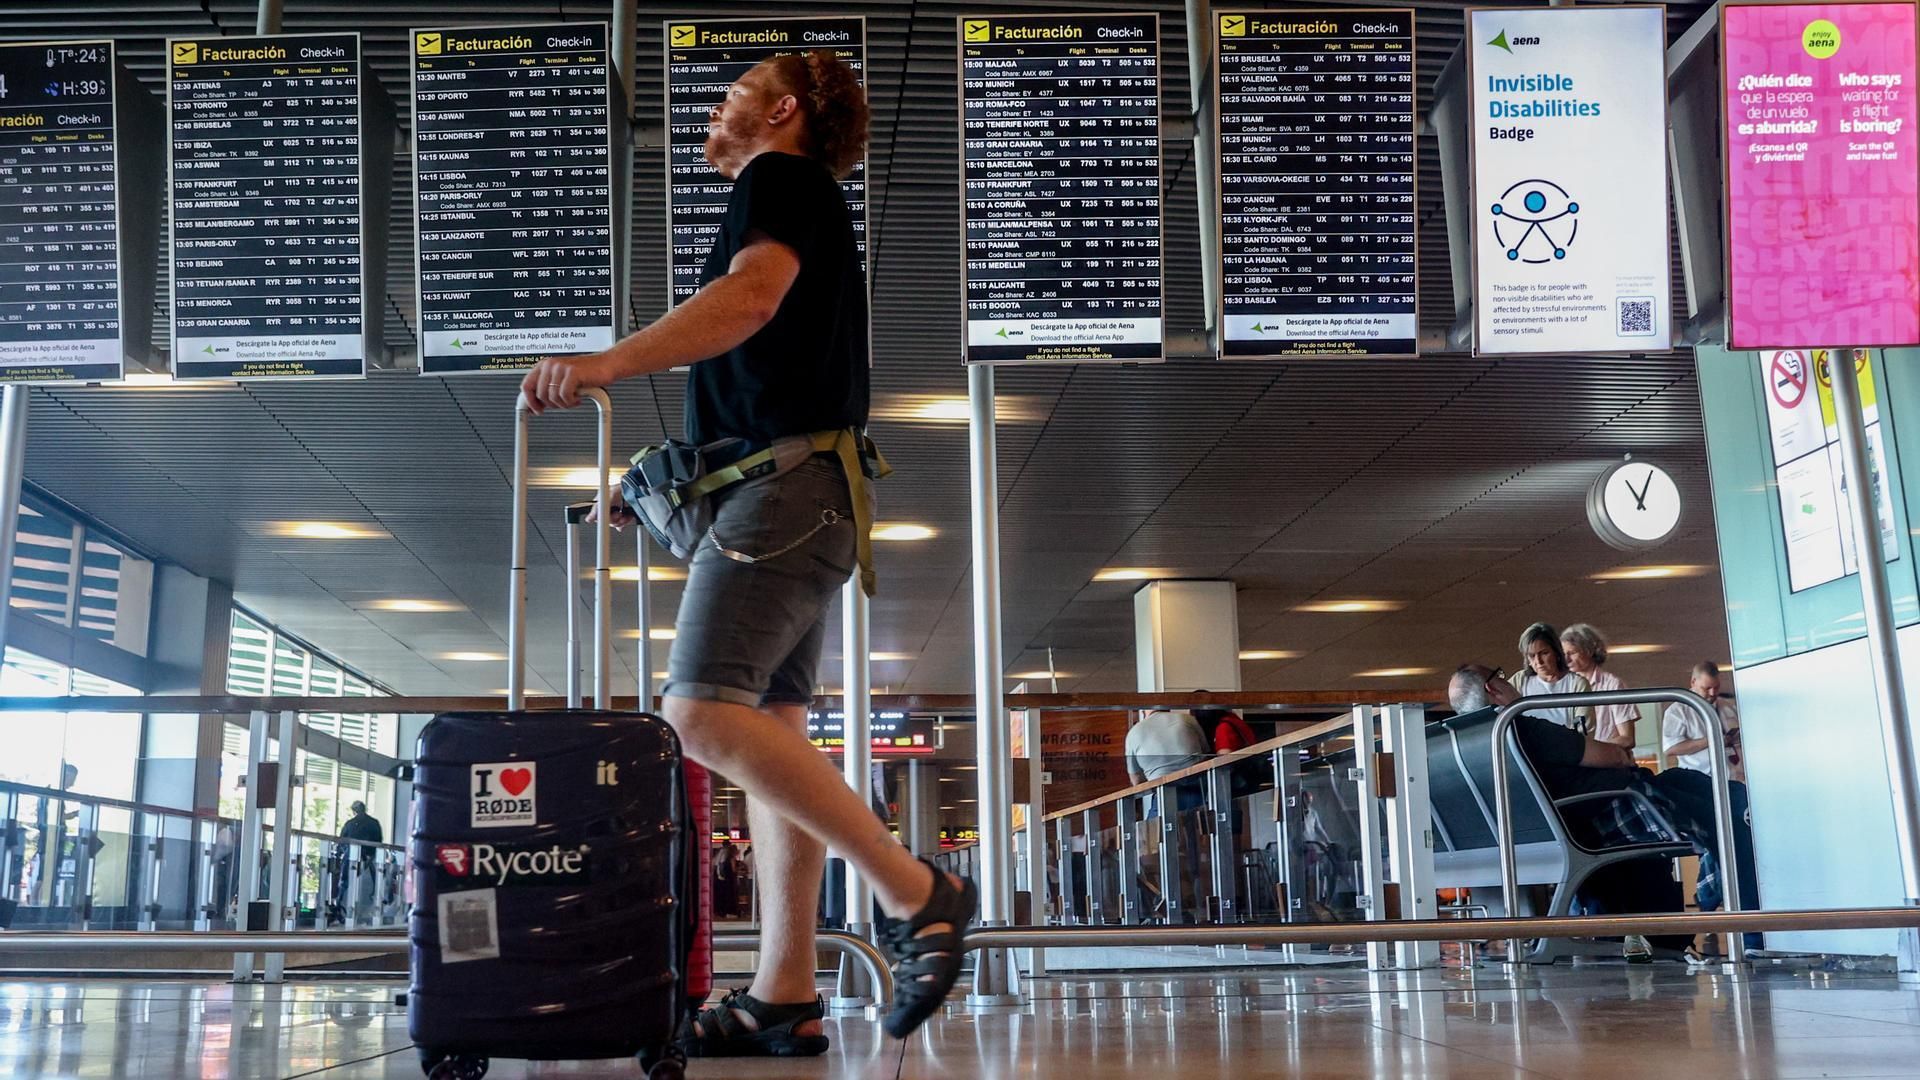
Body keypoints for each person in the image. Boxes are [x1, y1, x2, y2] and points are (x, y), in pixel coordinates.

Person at [520, 49, 971, 1053]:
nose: (712, 115)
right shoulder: (807, 198)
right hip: (798, 491)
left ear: (781, 109)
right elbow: (770, 363)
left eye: (729, 97)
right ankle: (784, 992)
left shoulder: (783, 178)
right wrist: (662, 477)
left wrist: (603, 362)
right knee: (768, 730)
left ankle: (917, 891)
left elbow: (750, 301)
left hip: (786, 495)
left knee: (698, 712)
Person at [1452, 663, 1759, 962]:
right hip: (1615, 810)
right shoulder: (1522, 727)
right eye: (1501, 676)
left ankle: (1722, 897)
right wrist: (1619, 755)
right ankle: (1757, 935)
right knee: (1735, 811)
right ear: (1494, 689)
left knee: (1710, 792)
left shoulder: (1474, 748)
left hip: (1563, 827)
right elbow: (1613, 756)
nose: (1510, 682)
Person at [1663, 662, 1744, 782]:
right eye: (1707, 688)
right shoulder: (1678, 711)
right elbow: (1671, 748)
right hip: (1701, 781)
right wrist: (1712, 740)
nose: (1712, 693)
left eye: (1716, 687)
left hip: (1735, 778)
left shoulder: (1728, 706)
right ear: (1693, 682)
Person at [1562, 623, 1637, 750]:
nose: (1566, 659)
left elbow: (1628, 738)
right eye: (1564, 654)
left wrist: (1590, 749)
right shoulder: (1564, 685)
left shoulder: (1612, 684)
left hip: (1608, 762)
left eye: (1572, 653)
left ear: (1589, 650)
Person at [1510, 622, 1593, 733]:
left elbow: (1584, 732)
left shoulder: (1577, 685)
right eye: (1532, 656)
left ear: (1557, 653)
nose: (1538, 661)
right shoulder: (1519, 681)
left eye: (1544, 653)